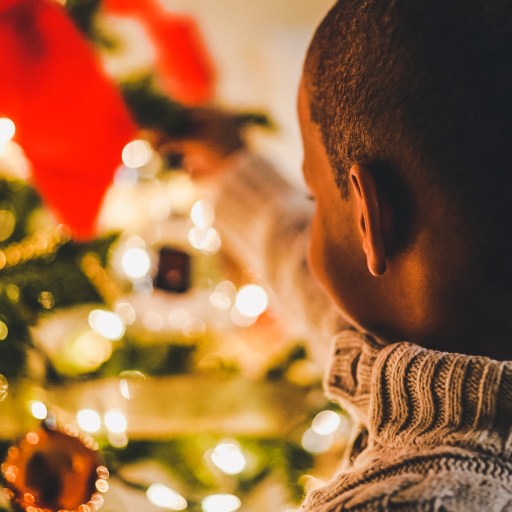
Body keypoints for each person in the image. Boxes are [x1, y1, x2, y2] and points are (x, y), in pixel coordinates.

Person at [160, 0, 512, 509]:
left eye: (315, 196)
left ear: (370, 218)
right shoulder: (434, 350)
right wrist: (231, 168)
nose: (310, 217)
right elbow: (316, 290)